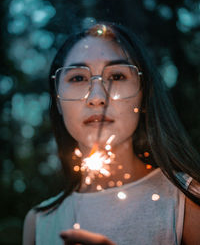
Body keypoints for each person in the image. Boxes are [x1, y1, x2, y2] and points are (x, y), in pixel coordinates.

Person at [23, 22, 200, 245]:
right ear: (57, 100)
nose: (97, 97)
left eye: (117, 76)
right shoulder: (40, 222)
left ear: (143, 96)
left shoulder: (186, 199)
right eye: (78, 78)